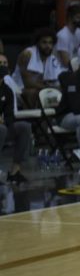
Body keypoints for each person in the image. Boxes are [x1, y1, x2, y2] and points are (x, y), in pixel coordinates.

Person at [0, 53, 31, 185]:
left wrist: (5, 120)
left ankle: (15, 171)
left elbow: (10, 115)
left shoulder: (7, 90)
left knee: (24, 126)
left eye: (4, 64)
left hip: (4, 127)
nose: (2, 67)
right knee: (1, 129)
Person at [14, 28, 64, 108]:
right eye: (44, 42)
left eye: (50, 43)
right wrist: (49, 87)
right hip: (20, 90)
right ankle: (37, 119)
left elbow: (58, 79)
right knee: (34, 92)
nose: (48, 46)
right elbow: (28, 83)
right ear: (37, 43)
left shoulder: (51, 58)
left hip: (41, 88)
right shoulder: (27, 54)